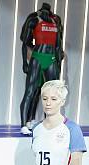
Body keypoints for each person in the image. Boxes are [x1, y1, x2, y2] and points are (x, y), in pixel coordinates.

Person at [19, 2, 64, 135]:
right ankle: (23, 124)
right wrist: (24, 62)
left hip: (51, 59)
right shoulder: (34, 18)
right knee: (30, 91)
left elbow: (58, 44)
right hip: (38, 57)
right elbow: (25, 41)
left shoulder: (56, 20)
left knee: (53, 93)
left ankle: (49, 124)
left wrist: (58, 61)